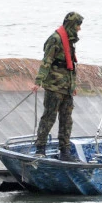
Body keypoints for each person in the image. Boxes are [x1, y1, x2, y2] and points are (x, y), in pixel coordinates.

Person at [31, 11, 84, 161]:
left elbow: (71, 65)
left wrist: (72, 85)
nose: (79, 28)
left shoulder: (70, 40)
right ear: (72, 25)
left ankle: (64, 151)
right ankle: (40, 148)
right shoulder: (55, 39)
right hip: (54, 86)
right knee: (49, 117)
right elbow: (46, 61)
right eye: (78, 25)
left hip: (66, 88)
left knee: (67, 119)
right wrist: (38, 81)